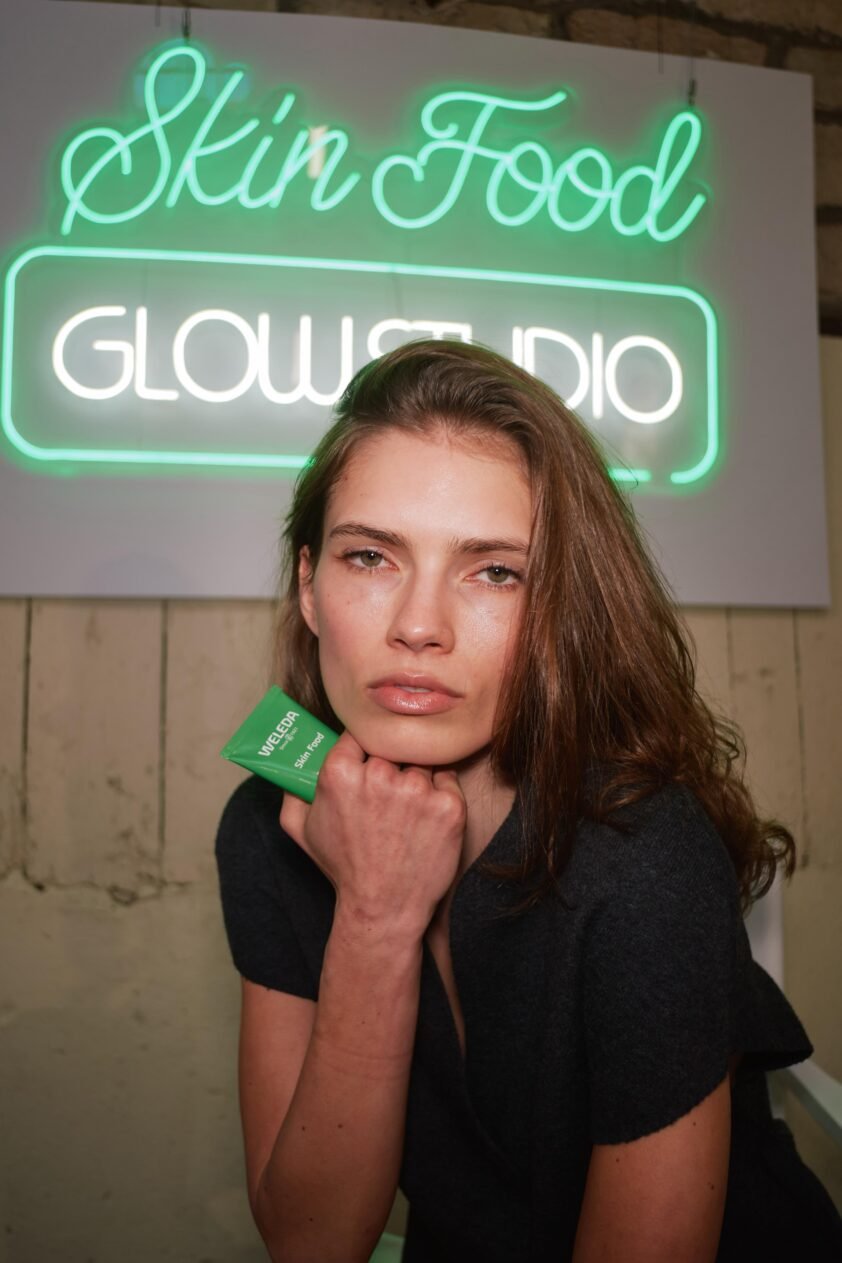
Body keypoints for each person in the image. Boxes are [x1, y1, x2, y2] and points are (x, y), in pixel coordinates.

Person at [215, 339, 842, 1263]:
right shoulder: (268, 828)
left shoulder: (641, 858)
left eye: (494, 571)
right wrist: (376, 921)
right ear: (309, 585)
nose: (418, 625)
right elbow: (313, 1242)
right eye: (371, 556)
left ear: (560, 608)